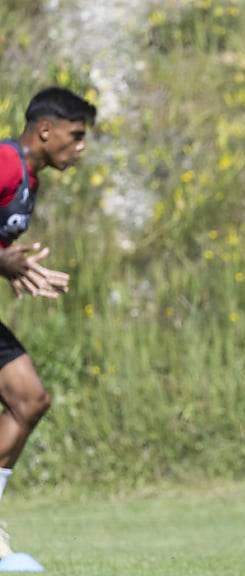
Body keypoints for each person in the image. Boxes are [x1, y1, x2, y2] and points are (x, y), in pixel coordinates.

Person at [0, 87, 95, 559]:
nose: (80, 148)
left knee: (30, 399)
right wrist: (4, 263)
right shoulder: (6, 162)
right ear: (45, 130)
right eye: (75, 136)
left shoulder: (29, 180)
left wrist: (16, 268)